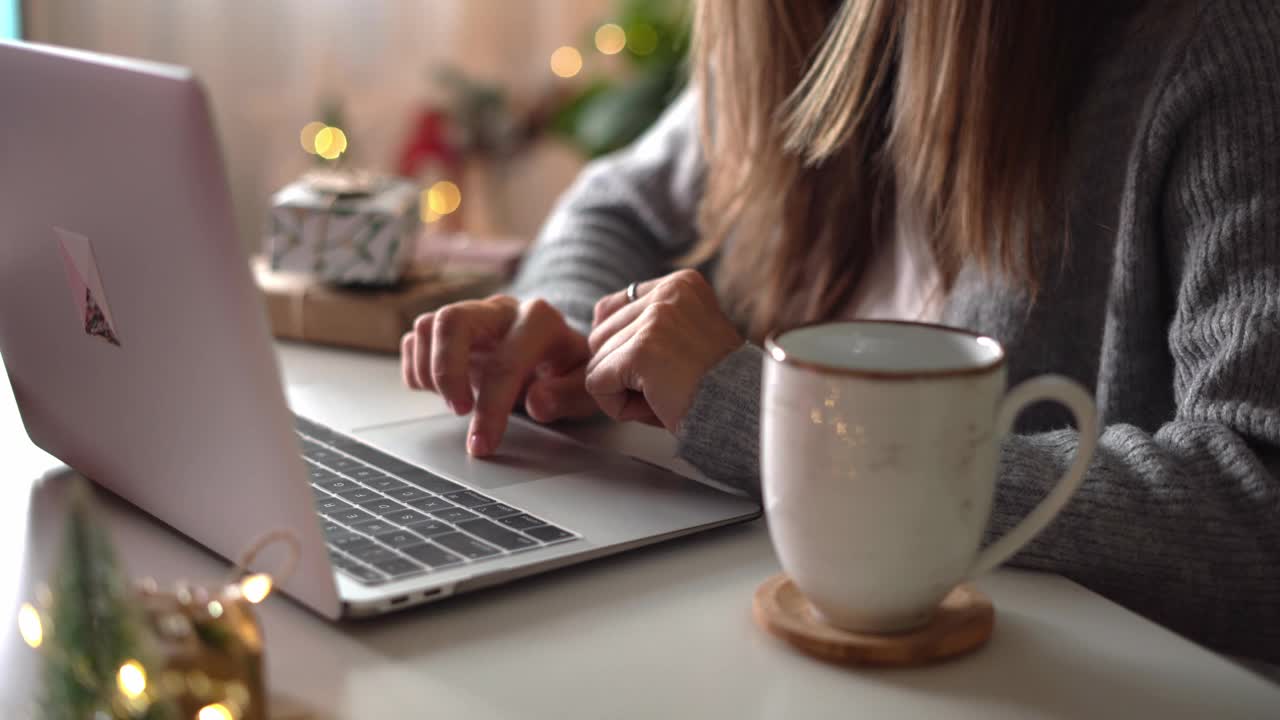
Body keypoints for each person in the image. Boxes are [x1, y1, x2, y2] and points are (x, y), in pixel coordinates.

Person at [400, 0, 1280, 664]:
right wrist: (576, 322)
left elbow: (1256, 512)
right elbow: (616, 200)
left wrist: (764, 414)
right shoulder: (817, 29)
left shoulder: (1216, 49)